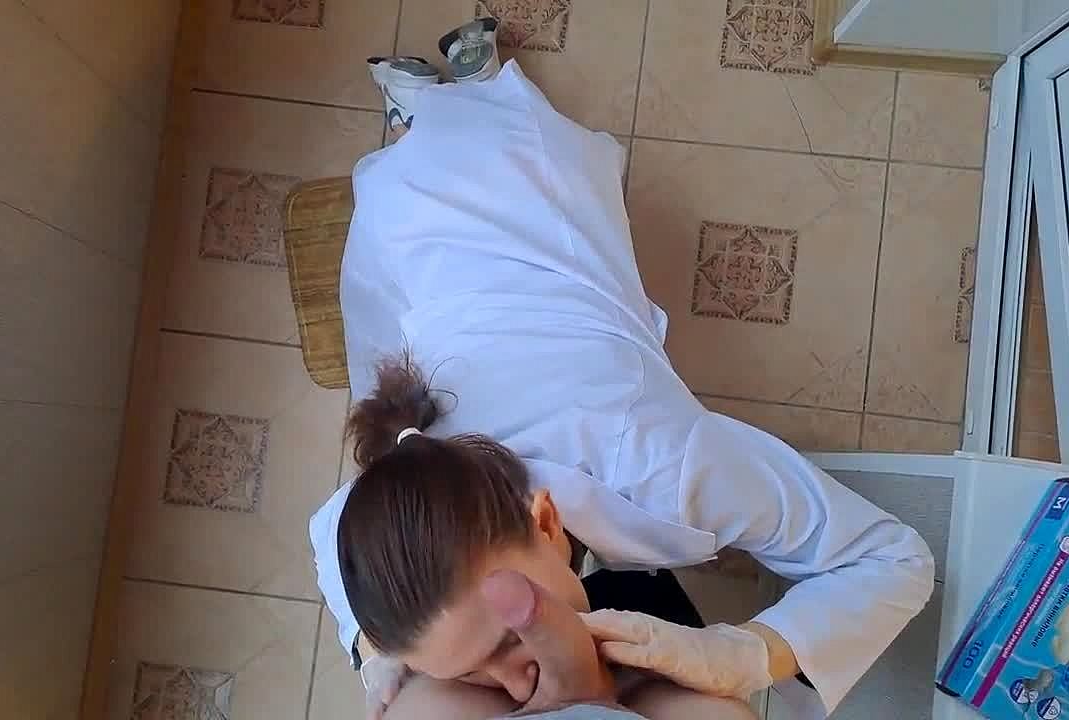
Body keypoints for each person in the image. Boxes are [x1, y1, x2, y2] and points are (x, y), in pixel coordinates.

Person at [311, 20, 936, 720]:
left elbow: (893, 559)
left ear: (546, 521)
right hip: (426, 249)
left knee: (498, 145)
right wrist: (371, 651)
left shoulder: (662, 464)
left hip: (528, 221)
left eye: (509, 640)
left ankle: (458, 97)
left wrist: (746, 654)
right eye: (468, 674)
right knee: (425, 163)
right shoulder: (392, 505)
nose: (517, 689)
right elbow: (328, 536)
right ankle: (426, 111)